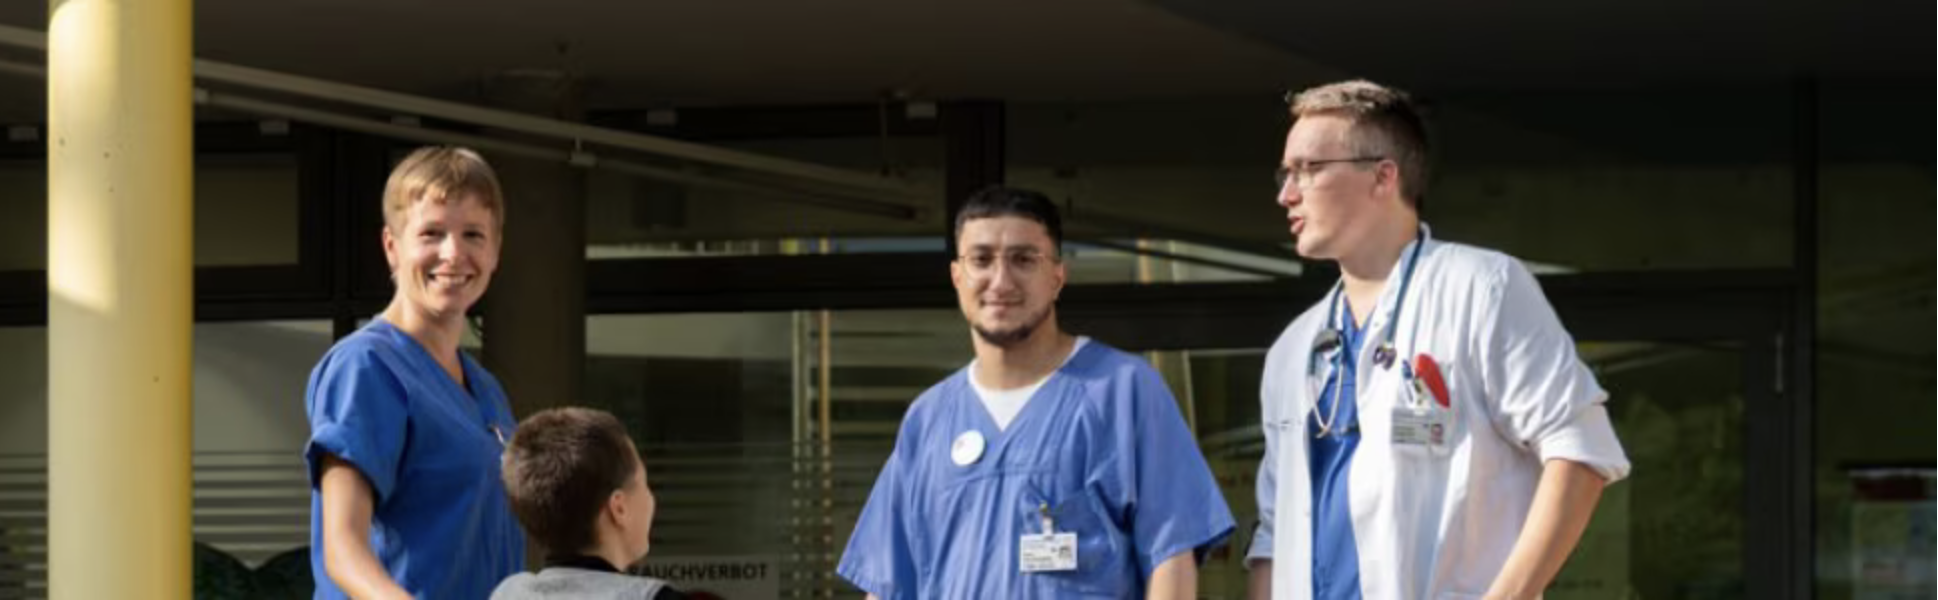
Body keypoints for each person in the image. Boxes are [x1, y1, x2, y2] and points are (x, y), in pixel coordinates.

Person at [1247, 80, 1632, 599]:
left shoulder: (1482, 287)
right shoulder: (1295, 348)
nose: (1286, 194)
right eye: (1285, 173)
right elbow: (1274, 532)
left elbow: (1580, 452)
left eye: (1308, 169)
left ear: (1383, 176)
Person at [837, 186, 1235, 599]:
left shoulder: (1124, 392)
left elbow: (1172, 558)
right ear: (957, 277)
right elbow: (889, 583)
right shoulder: (929, 418)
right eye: (981, 260)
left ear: (1057, 277)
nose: (1001, 281)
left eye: (1024, 259)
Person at [304, 146, 524, 599]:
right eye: (431, 233)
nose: (453, 253)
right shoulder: (367, 367)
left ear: (496, 251)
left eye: (473, 234)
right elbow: (343, 549)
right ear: (392, 246)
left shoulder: (487, 391)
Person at [493, 407, 687, 600]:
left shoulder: (508, 593)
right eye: (644, 484)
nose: (652, 499)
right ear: (619, 508)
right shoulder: (655, 597)